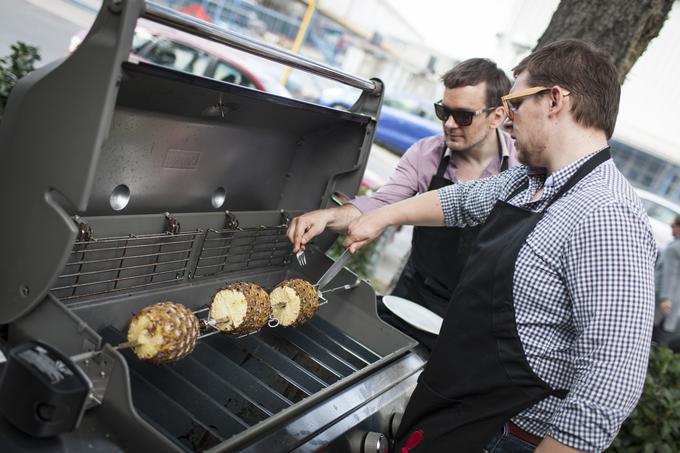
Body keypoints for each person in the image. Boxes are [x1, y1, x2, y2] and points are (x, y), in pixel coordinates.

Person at [342, 39, 656, 452]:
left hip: (505, 438)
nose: (506, 121)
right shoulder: (532, 180)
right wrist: (379, 216)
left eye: (514, 105)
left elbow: (610, 382)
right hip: (455, 413)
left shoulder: (608, 215)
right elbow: (461, 200)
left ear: (554, 101)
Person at [287, 58, 517, 350]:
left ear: (497, 116)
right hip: (413, 296)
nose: (448, 124)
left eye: (463, 116)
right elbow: (381, 204)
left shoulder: (521, 169)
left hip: (475, 317)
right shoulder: (426, 154)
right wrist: (327, 217)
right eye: (443, 111)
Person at [653, 215, 680, 345]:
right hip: (675, 302)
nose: (671, 227)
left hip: (661, 299)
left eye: (674, 225)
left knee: (653, 338)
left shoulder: (674, 248)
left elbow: (670, 274)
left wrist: (666, 298)